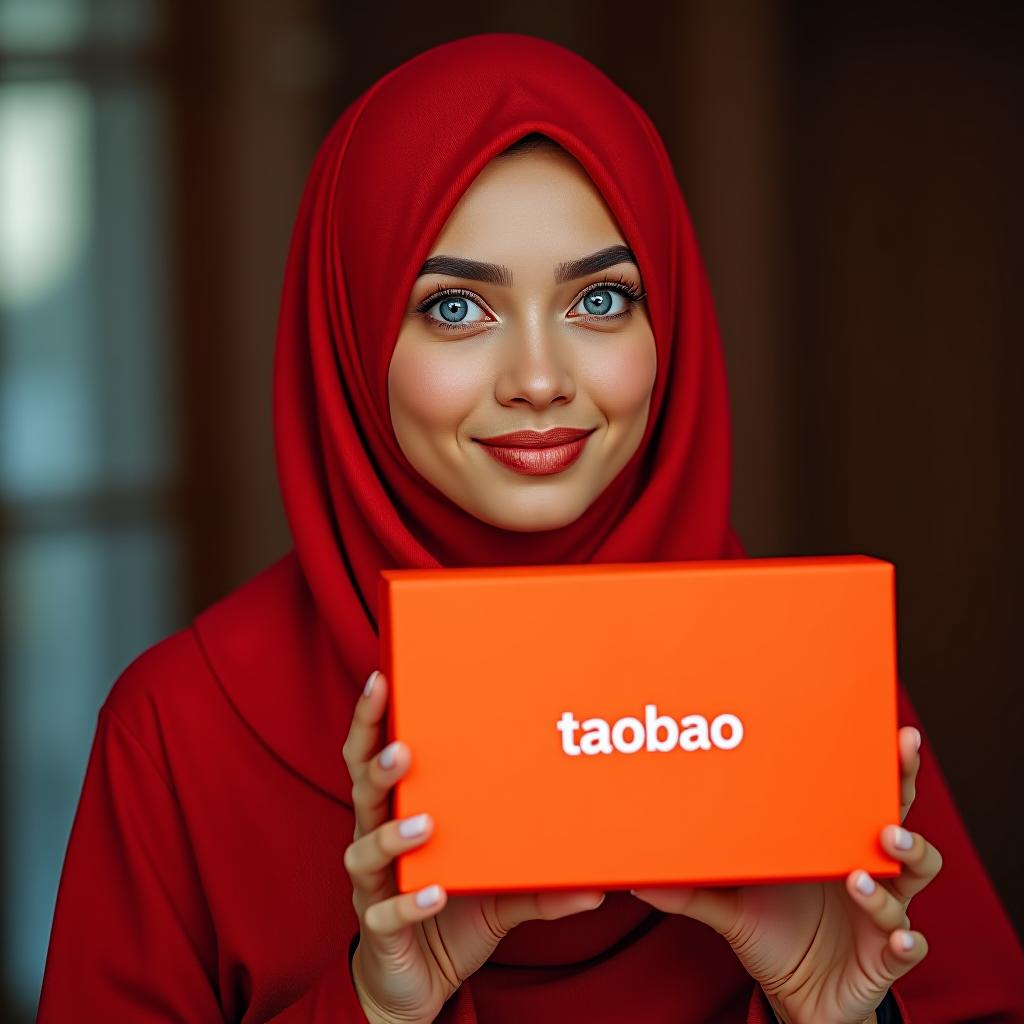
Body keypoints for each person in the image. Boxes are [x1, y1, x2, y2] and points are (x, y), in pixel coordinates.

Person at [37, 33, 1024, 1024]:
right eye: (457, 307)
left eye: (600, 298)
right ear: (352, 334)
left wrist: (840, 1016)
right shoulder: (182, 729)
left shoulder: (808, 678)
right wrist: (374, 1009)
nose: (541, 378)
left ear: (668, 321)